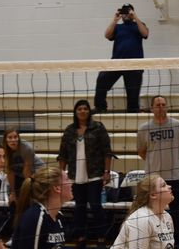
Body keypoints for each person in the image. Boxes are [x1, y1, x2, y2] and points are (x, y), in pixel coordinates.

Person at [137, 95, 179, 249]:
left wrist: (175, 162)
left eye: (163, 104)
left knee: (177, 211)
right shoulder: (144, 129)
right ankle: (152, 241)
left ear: (167, 107)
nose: (161, 107)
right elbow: (142, 151)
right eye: (158, 105)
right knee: (151, 211)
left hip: (174, 176)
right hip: (153, 178)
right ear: (152, 108)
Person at [57, 100, 113, 249]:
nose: (82, 111)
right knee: (79, 208)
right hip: (76, 176)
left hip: (94, 174)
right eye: (79, 109)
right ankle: (81, 238)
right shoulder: (69, 131)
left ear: (89, 111)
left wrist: (107, 172)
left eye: (85, 109)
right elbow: (62, 155)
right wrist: (61, 175)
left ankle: (101, 238)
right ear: (75, 112)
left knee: (96, 207)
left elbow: (107, 151)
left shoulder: (98, 127)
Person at [94, 3, 149, 113]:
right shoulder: (118, 27)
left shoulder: (139, 25)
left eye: (128, 12)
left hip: (134, 64)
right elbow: (107, 35)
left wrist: (135, 17)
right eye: (124, 12)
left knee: (133, 92)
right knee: (102, 79)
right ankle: (100, 107)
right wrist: (115, 20)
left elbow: (145, 33)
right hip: (117, 62)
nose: (125, 14)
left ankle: (132, 111)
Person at [12, 167, 72, 249]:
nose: (71, 183)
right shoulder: (35, 217)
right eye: (67, 179)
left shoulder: (59, 217)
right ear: (57, 188)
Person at [111, 174, 176, 249]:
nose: (169, 187)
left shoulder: (167, 216)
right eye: (163, 185)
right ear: (153, 195)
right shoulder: (142, 219)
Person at [2, 127, 45, 204]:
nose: (13, 140)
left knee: (29, 197)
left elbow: (27, 172)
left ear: (19, 138)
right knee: (14, 199)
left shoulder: (26, 148)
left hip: (36, 171)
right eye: (10, 137)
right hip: (19, 173)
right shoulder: (3, 151)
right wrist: (13, 193)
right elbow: (10, 172)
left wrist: (29, 192)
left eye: (15, 137)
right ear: (5, 139)